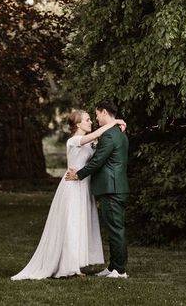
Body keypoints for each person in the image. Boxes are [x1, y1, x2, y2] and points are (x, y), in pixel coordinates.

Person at [11, 109, 126, 280]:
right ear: (78, 124)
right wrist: (115, 122)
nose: (91, 122)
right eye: (87, 120)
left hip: (83, 186)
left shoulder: (87, 142)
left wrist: (116, 123)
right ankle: (68, 266)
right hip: (72, 186)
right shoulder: (74, 141)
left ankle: (76, 264)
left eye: (90, 119)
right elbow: (95, 134)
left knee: (81, 224)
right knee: (71, 224)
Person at [65, 99, 129, 279]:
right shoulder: (118, 133)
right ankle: (113, 266)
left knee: (116, 229)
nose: (95, 119)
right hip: (115, 187)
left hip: (112, 188)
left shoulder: (109, 135)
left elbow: (97, 160)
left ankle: (120, 270)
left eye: (96, 115)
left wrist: (78, 174)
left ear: (104, 112)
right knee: (113, 228)